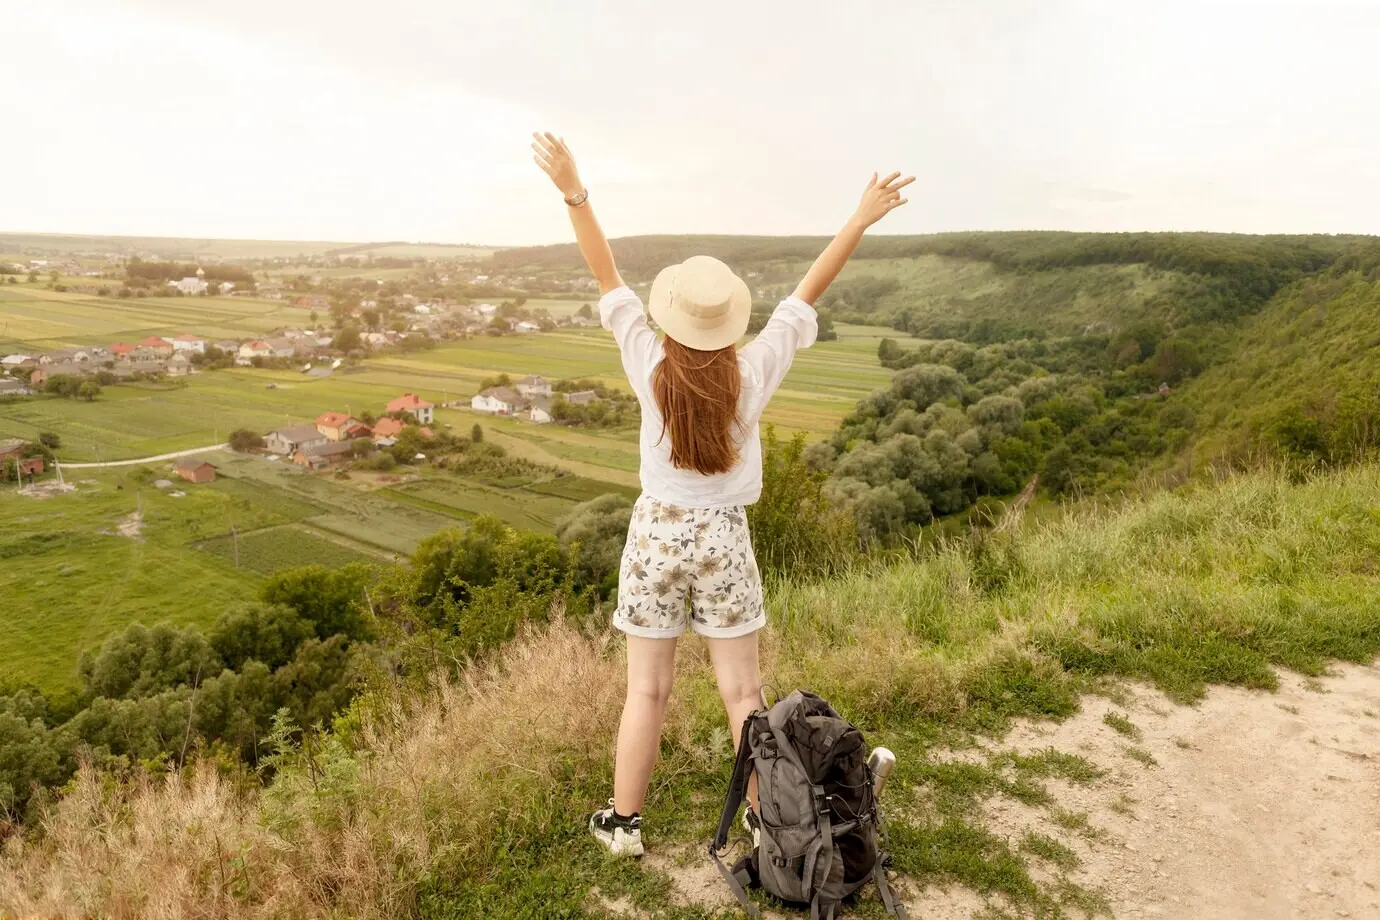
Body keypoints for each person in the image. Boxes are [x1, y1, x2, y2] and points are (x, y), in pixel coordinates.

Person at [531, 132, 912, 857]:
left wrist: (573, 189)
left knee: (648, 691)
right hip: (724, 537)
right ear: (729, 322)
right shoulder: (755, 369)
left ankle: (624, 824)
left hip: (656, 536)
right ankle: (773, 824)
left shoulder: (648, 360)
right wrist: (858, 219)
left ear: (671, 319)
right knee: (744, 696)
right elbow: (808, 292)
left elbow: (605, 272)